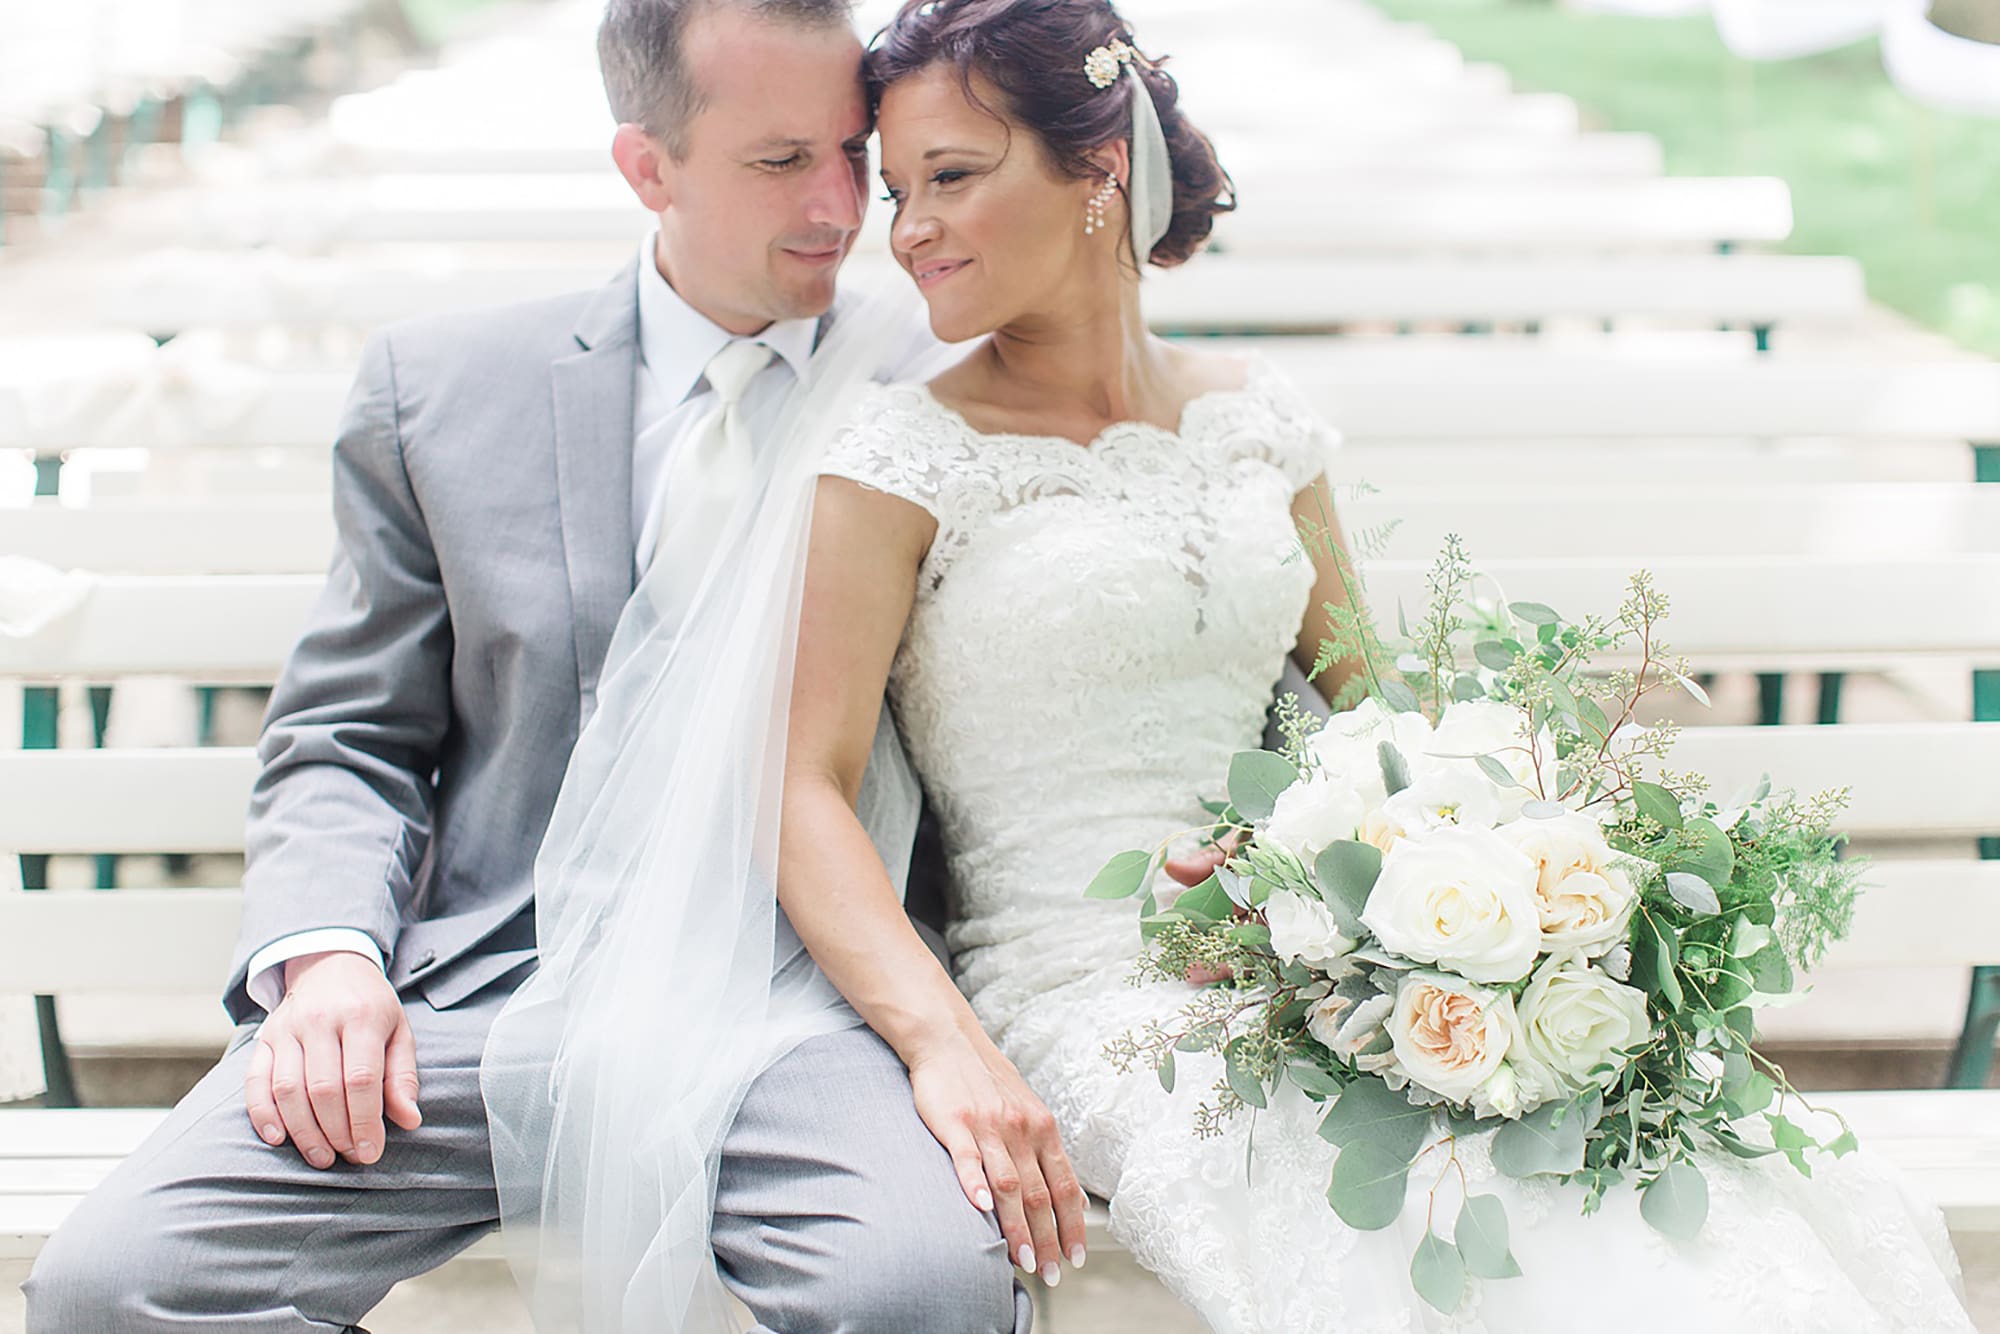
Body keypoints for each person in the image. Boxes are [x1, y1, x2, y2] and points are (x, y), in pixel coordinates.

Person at [772, 0, 1974, 1327]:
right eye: (898, 189)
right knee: (1407, 1201)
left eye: (951, 174)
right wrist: (944, 1045)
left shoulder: (1258, 425)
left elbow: (1377, 722)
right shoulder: (894, 456)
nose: (910, 228)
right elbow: (801, 785)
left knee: (1638, 1177)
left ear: (1100, 169)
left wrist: (1446, 881)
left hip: (1327, 961)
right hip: (1089, 995)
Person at [22, 2, 1036, 1330]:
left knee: (920, 1293)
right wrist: (329, 962)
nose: (844, 206)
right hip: (480, 998)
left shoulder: (955, 393)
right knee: (113, 1286)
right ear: (646, 168)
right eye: (782, 161)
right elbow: (346, 735)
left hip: (807, 1012)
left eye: (857, 151)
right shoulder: (440, 389)